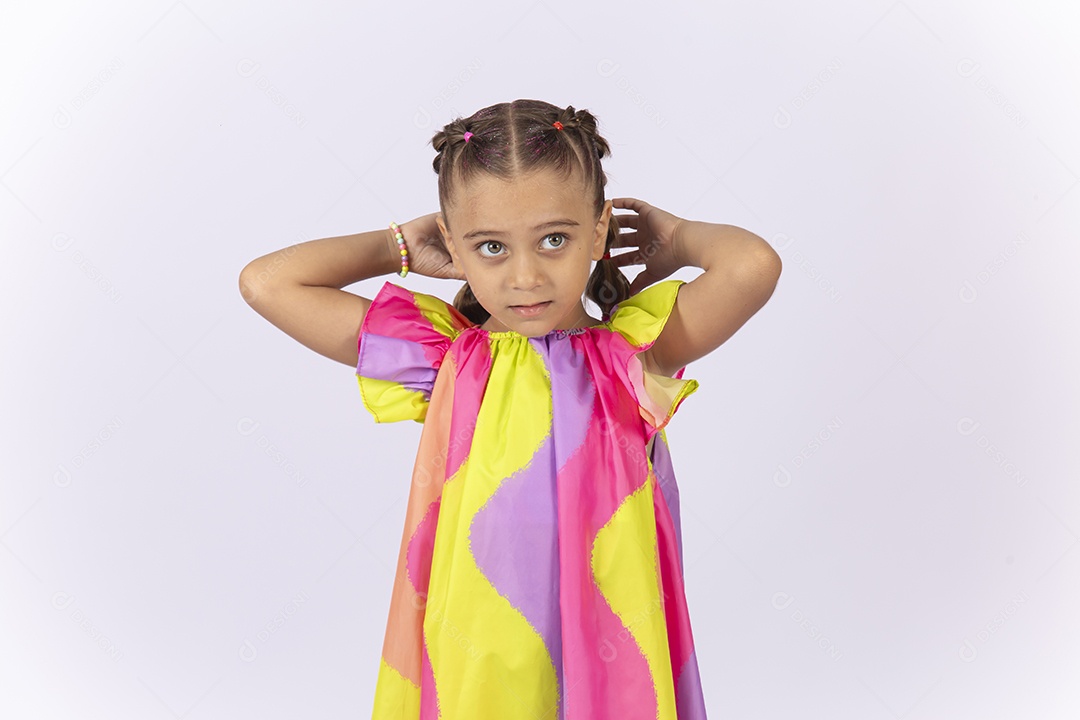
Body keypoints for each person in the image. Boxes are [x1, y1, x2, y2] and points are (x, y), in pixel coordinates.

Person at [240, 98, 781, 719]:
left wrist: (678, 237)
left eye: (554, 239)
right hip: (480, 656)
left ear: (599, 229)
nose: (525, 276)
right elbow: (266, 282)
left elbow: (753, 264)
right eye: (491, 246)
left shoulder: (634, 351)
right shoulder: (443, 356)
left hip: (611, 655)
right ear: (452, 244)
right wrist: (398, 246)